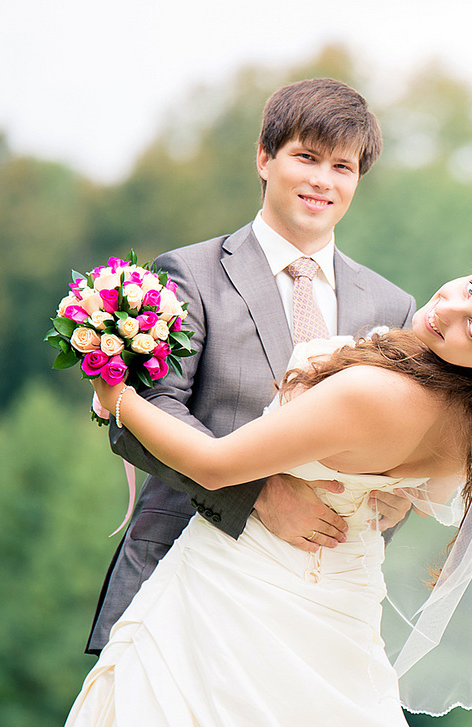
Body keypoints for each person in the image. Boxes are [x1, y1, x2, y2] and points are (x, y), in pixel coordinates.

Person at [39, 259, 472, 727]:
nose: (447, 307)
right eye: (469, 288)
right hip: (338, 607)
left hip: (242, 593)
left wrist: (112, 393)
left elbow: (215, 463)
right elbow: (405, 494)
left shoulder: (375, 394)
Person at [87, 77, 416, 655]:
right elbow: (146, 410)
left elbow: (398, 447)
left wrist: (398, 498)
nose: (322, 179)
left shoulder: (393, 308)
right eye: (306, 157)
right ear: (265, 158)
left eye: (343, 166)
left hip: (322, 604)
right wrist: (259, 492)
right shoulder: (190, 274)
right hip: (188, 581)